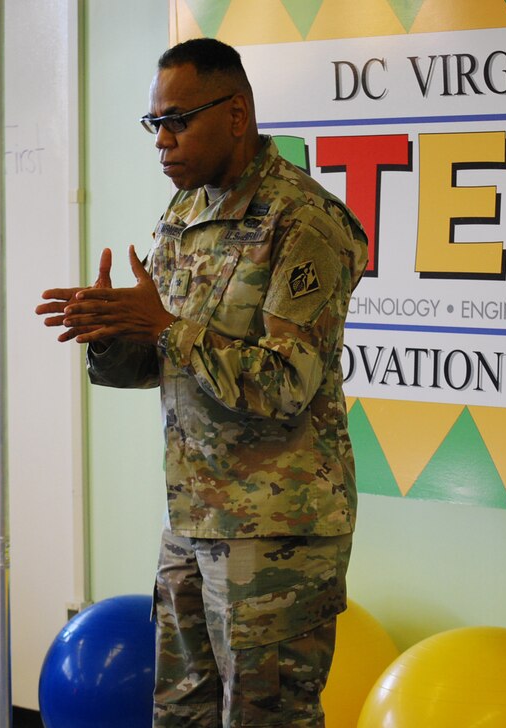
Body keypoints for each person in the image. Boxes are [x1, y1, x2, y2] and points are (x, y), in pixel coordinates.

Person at [36, 38, 367, 728]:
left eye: (178, 119)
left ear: (238, 115)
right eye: (154, 123)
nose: (163, 140)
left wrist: (161, 326)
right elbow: (161, 361)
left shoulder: (303, 222)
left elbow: (285, 385)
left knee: (265, 719)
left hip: (278, 536)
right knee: (179, 715)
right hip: (190, 519)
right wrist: (113, 334)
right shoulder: (184, 217)